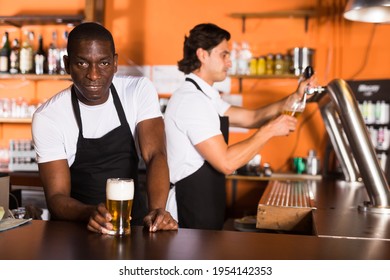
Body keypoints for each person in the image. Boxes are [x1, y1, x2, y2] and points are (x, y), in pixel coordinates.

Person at [164, 23, 316, 230]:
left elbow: (252, 117)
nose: (229, 62)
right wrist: (270, 130)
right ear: (202, 55)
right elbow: (226, 162)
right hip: (187, 209)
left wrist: (297, 96)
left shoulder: (205, 97)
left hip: (204, 202)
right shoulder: (191, 100)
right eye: (224, 55)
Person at [32, 22, 178, 234]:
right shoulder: (49, 117)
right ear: (66, 64)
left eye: (104, 63)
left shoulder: (137, 91)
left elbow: (156, 154)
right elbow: (56, 197)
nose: (94, 75)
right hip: (76, 231)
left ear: (115, 63)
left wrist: (157, 211)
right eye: (82, 64)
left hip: (133, 224)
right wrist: (89, 213)